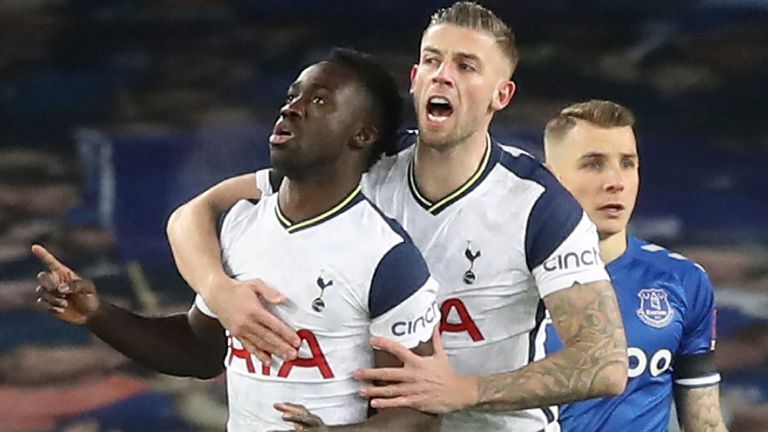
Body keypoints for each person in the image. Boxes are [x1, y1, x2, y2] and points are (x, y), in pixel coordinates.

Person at [166, 3, 628, 431]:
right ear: (414, 77)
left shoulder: (538, 205)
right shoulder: (361, 166)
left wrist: (463, 391)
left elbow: (604, 363)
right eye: (432, 61)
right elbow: (194, 214)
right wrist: (216, 288)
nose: (442, 76)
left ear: (500, 95)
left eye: (465, 66)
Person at [34, 48, 442, 432]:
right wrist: (98, 314)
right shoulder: (240, 222)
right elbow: (199, 351)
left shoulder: (388, 257)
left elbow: (419, 412)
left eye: (319, 102)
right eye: (292, 95)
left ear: (361, 135)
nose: (291, 108)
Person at [542, 99, 728, 431]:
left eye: (627, 163)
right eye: (594, 164)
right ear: (552, 178)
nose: (616, 181)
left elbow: (705, 423)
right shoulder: (505, 283)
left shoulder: (683, 281)